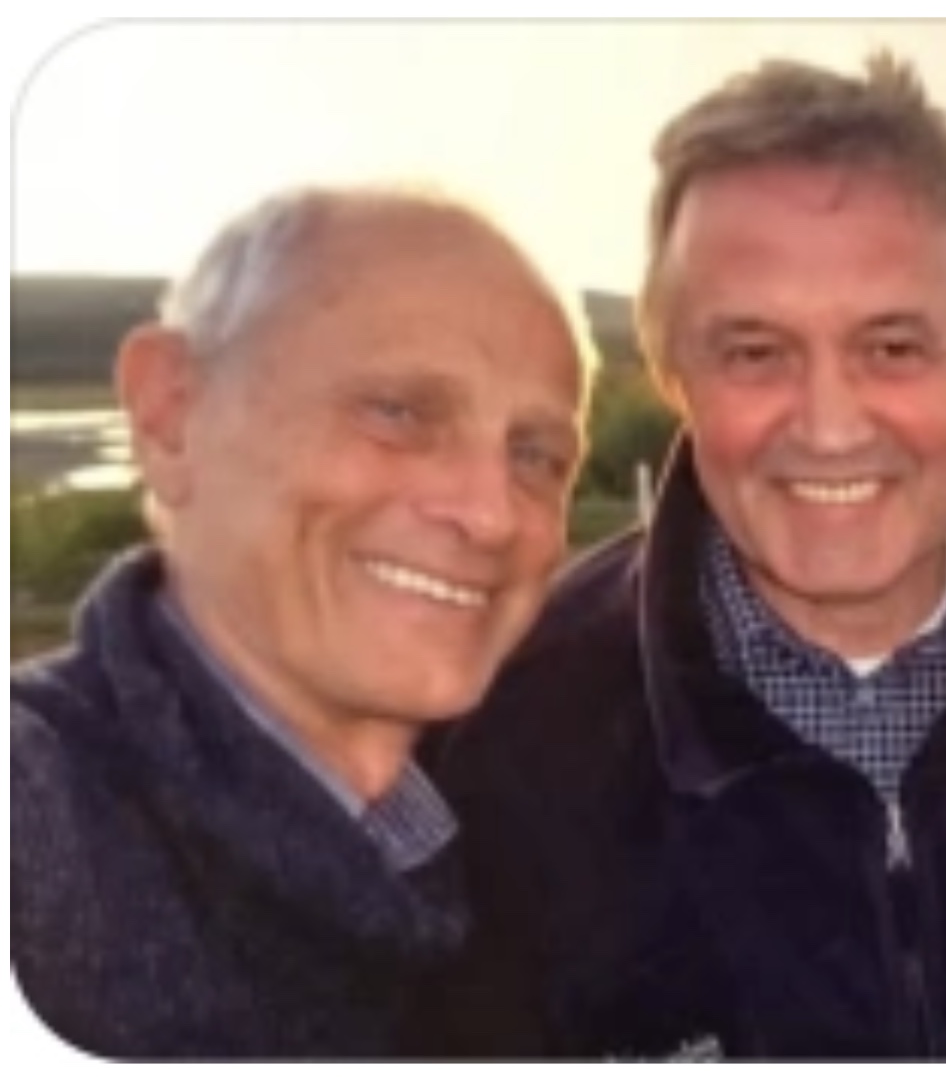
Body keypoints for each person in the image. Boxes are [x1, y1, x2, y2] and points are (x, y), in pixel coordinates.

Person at [425, 51, 946, 1058]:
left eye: (892, 349)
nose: (828, 428)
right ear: (674, 377)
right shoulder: (511, 736)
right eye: (755, 353)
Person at [10, 184, 593, 1057]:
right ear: (170, 416)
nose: (492, 514)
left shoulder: (537, 816)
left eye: (536, 455)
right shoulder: (39, 823)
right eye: (397, 412)